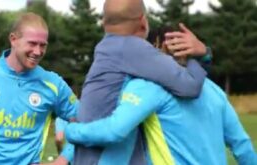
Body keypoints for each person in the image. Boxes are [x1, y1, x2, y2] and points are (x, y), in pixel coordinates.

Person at [65, 26, 257, 165]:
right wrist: (205, 55)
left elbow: (113, 130)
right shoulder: (214, 90)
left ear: (154, 49)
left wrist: (72, 131)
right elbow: (242, 146)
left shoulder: (147, 87)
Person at [74, 0, 212, 164]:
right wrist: (202, 53)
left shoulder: (105, 47)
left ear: (104, 22)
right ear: (143, 22)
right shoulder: (131, 48)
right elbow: (190, 86)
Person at [0, 12, 77, 165]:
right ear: (13, 39)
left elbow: (84, 121)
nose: (37, 52)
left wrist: (62, 160)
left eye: (43, 45)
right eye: (32, 43)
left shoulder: (53, 84)